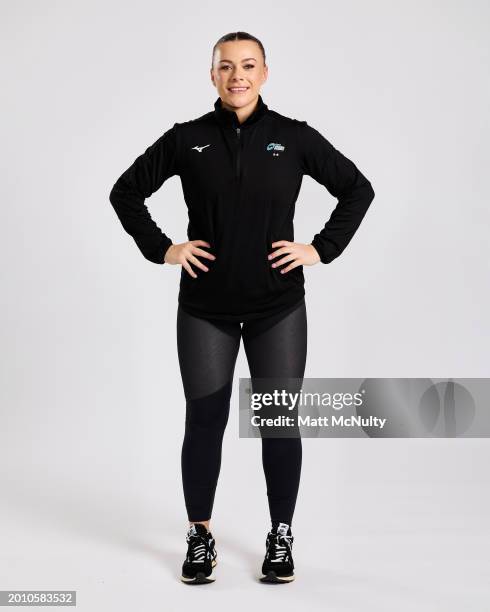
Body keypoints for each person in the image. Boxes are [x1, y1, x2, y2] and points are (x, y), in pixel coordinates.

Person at [109, 31, 375, 585]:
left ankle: (281, 536)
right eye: (226, 66)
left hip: (278, 306)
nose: (237, 75)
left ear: (265, 73)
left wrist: (319, 249)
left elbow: (357, 189)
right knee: (204, 421)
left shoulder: (294, 138)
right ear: (212, 76)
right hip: (205, 307)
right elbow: (125, 192)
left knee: (279, 422)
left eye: (248, 65)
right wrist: (165, 249)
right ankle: (200, 535)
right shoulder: (187, 140)